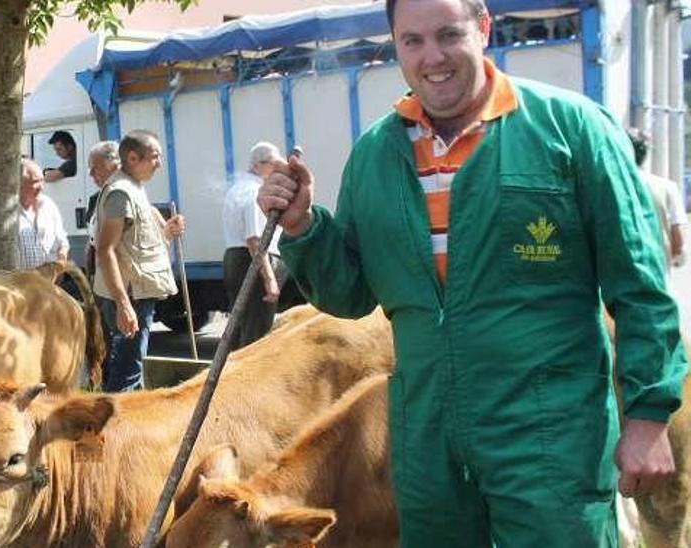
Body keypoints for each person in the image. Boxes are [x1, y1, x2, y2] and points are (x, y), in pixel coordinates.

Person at [257, 1, 687, 545]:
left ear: (483, 29)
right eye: (412, 41)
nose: (432, 57)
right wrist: (303, 229)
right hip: (429, 448)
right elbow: (349, 292)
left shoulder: (569, 129)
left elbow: (640, 284)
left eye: (448, 34)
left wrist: (648, 416)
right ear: (395, 45)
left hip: (550, 441)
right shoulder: (375, 154)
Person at [94, 130, 186, 392]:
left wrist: (168, 231)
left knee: (131, 369)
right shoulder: (121, 194)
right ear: (133, 158)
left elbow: (137, 244)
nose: (159, 163)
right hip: (130, 295)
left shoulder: (135, 188)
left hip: (137, 292)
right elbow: (105, 250)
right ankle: (114, 430)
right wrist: (123, 305)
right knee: (127, 373)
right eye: (155, 157)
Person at [222, 142, 283, 351]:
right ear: (258, 165)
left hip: (236, 258)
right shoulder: (254, 192)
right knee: (256, 332)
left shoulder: (237, 189)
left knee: (240, 327)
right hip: (252, 262)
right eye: (274, 165)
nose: (278, 170)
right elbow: (255, 240)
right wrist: (270, 279)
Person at [0, 158, 69, 271]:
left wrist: (61, 259)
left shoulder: (48, 206)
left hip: (46, 285)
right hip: (15, 287)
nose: (41, 186)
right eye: (35, 182)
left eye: (42, 180)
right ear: (17, 184)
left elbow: (62, 240)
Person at [630, 130, 687, 270]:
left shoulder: (609, 186)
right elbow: (678, 245)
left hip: (617, 281)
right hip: (658, 275)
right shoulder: (668, 188)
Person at [83, 141, 121, 278]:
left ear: (115, 167)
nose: (91, 174)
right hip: (100, 279)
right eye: (89, 169)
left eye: (95, 168)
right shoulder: (96, 199)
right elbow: (92, 242)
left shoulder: (126, 196)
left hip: (122, 280)